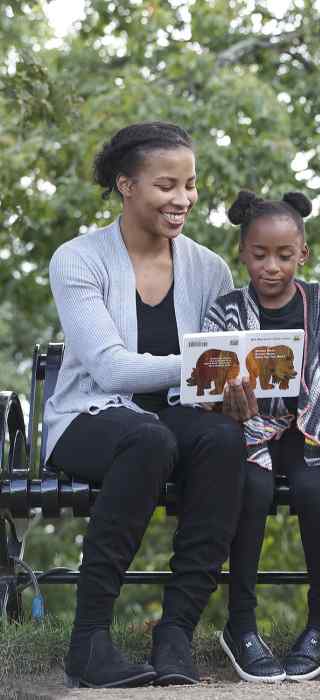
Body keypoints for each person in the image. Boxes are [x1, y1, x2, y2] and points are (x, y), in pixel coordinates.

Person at [46, 122, 246, 688]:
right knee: (148, 438)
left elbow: (219, 362)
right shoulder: (77, 259)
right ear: (126, 185)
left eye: (190, 184)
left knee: (222, 440)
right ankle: (89, 641)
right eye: (166, 185)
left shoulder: (209, 268)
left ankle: (176, 634)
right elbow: (111, 369)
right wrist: (204, 366)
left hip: (173, 415)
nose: (182, 199)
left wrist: (234, 387)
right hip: (89, 418)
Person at [203, 190, 320, 682]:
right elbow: (208, 373)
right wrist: (229, 401)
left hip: (308, 425)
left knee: (313, 493)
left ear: (302, 253)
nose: (272, 267)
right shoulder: (226, 309)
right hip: (249, 429)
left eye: (285, 256)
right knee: (254, 490)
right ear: (242, 253)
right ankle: (240, 624)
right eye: (260, 255)